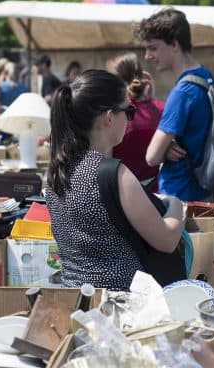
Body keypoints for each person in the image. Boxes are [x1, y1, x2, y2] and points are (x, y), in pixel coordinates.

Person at [43, 69, 184, 289]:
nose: (130, 118)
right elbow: (166, 240)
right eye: (128, 111)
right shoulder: (113, 174)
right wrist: (175, 205)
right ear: (109, 117)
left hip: (76, 299)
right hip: (121, 303)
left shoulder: (56, 172)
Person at [134, 8, 214, 202]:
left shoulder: (183, 92)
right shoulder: (207, 77)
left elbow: (152, 157)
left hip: (179, 195)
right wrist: (168, 145)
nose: (147, 56)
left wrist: (163, 148)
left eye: (153, 48)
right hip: (205, 189)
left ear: (175, 44)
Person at [107, 53, 165, 186]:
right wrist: (151, 100)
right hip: (156, 191)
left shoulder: (112, 115)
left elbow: (105, 160)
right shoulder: (162, 108)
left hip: (121, 191)